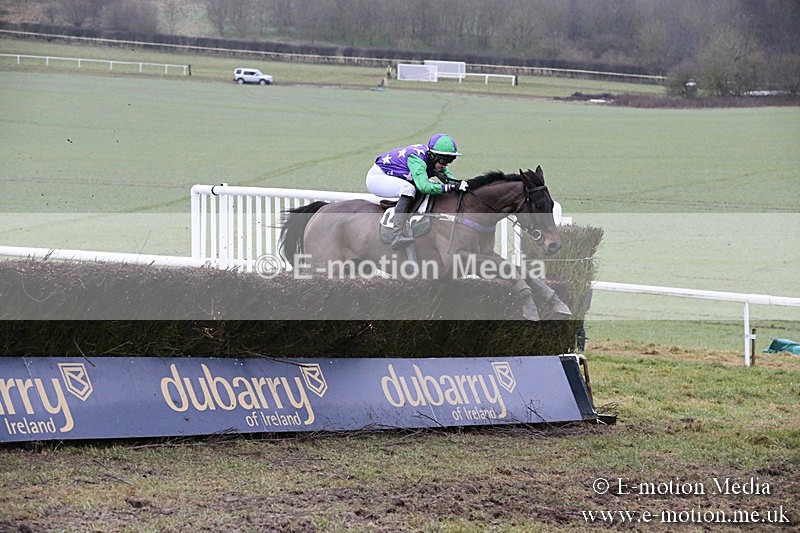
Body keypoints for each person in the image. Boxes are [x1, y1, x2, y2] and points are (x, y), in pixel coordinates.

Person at [366, 134, 468, 249]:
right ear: (433, 156)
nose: (447, 164)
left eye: (451, 160)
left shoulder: (435, 160)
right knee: (408, 189)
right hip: (378, 178)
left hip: (398, 177)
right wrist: (448, 188)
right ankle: (396, 236)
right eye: (444, 160)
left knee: (431, 185)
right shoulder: (417, 160)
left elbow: (450, 181)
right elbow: (424, 187)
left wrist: (463, 185)